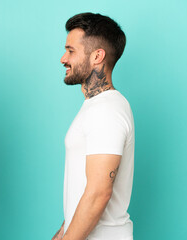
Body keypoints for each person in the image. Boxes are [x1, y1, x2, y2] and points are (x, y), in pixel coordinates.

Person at [52, 13, 135, 240]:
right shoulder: (95, 106)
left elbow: (99, 193)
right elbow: (83, 187)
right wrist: (62, 232)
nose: (63, 58)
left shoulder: (107, 110)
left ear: (97, 56)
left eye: (71, 50)